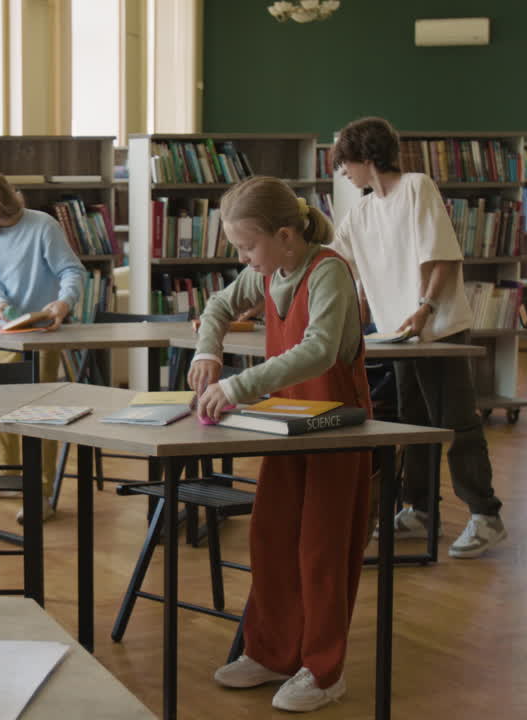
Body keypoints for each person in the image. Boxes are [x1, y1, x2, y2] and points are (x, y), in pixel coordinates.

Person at [188, 176, 370, 713]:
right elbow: (218, 306)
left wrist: (237, 385)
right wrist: (207, 353)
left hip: (335, 427)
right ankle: (271, 652)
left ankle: (322, 669)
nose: (245, 258)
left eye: (248, 247)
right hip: (285, 425)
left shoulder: (327, 272)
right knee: (271, 537)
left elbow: (318, 352)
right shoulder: (268, 272)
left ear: (286, 235)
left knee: (321, 551)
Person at [330, 116, 507, 559]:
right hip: (397, 336)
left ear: (368, 157)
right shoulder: (363, 211)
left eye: (346, 164)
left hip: (438, 327)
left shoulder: (416, 186)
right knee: (413, 423)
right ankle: (420, 509)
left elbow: (441, 254)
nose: (344, 173)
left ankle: (486, 515)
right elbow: (335, 258)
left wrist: (425, 306)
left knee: (456, 422)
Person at [0, 168, 86, 522]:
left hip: (42, 331)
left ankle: (39, 490)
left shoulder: (42, 227)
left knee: (40, 414)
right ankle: (7, 475)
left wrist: (62, 303)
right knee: (0, 404)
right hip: (7, 330)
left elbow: (72, 272)